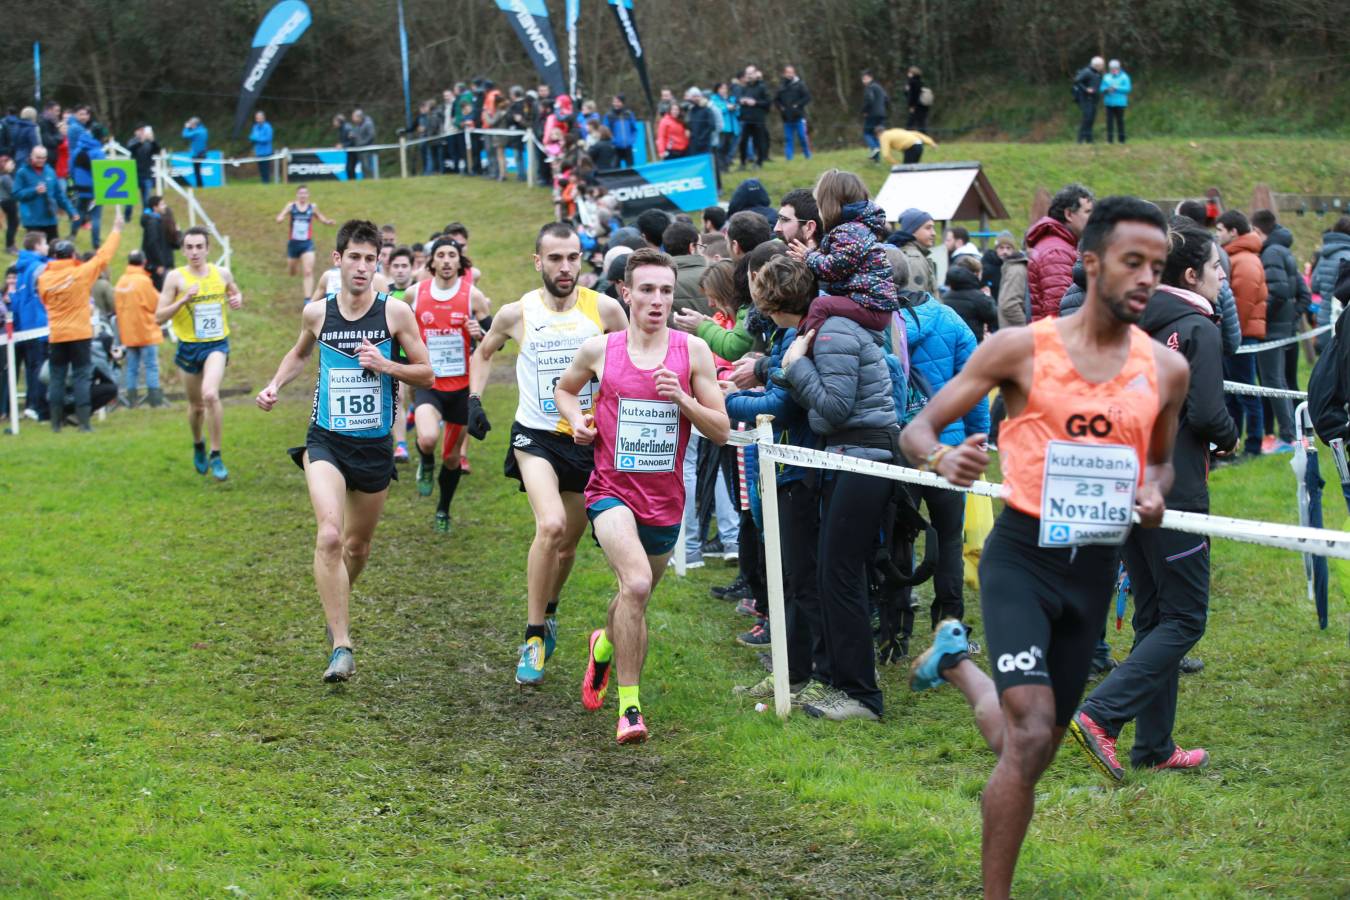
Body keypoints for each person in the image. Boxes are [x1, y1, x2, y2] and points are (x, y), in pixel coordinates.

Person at [902, 196, 1189, 900]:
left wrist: (1154, 493)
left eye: (1158, 265)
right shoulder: (1020, 349)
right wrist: (942, 460)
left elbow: (1158, 462)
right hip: (1022, 559)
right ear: (1090, 263)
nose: (1148, 278)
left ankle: (957, 664)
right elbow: (916, 430)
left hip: (1094, 569)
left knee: (1026, 748)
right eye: (1133, 262)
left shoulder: (1164, 370)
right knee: (1029, 738)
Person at [1070, 219, 1235, 783]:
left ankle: (1154, 745)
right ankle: (1100, 716)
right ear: (1192, 274)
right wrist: (1231, 438)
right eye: (1218, 269)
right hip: (1174, 491)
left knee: (1154, 615)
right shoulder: (1199, 329)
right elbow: (1210, 414)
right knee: (1185, 618)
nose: (1223, 280)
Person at [557, 247, 729, 743]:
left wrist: (683, 399)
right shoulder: (600, 349)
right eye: (648, 290)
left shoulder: (692, 351)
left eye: (667, 291)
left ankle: (604, 646)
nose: (658, 300)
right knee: (634, 586)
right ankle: (630, 710)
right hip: (610, 491)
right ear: (626, 293)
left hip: (664, 500)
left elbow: (719, 430)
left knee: (637, 595)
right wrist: (580, 422)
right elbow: (566, 391)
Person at [256, 219, 433, 683]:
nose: (361, 266)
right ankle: (342, 644)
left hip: (373, 446)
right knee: (330, 536)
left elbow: (427, 373)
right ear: (338, 261)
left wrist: (385, 363)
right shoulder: (318, 313)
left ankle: (334, 597)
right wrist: (275, 384)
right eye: (353, 257)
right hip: (326, 440)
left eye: (369, 259)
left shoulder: (395, 314)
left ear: (378, 265)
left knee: (356, 545)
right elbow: (298, 353)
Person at [467, 222, 628, 686]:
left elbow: (634, 354)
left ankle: (550, 610)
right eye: (555, 258)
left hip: (584, 440)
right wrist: (474, 399)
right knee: (551, 525)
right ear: (538, 261)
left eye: (573, 258)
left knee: (568, 545)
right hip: (534, 436)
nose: (565, 267)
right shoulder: (516, 313)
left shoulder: (606, 310)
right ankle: (533, 634)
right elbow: (485, 353)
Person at [898, 279, 989, 643]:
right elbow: (977, 387)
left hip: (901, 445)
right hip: (947, 447)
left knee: (899, 539)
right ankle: (950, 631)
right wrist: (978, 439)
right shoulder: (952, 322)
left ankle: (895, 631)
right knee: (949, 540)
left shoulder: (880, 320)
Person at [407, 237, 491, 532]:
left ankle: (443, 509)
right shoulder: (414, 294)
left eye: (451, 255)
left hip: (461, 388)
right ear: (431, 262)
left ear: (459, 261)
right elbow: (397, 327)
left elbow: (493, 343)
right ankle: (426, 462)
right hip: (428, 381)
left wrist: (479, 331)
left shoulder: (473, 297)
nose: (445, 260)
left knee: (453, 458)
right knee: (428, 438)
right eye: (440, 255)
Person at [156, 226, 244, 480]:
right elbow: (158, 318)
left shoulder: (222, 273)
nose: (194, 252)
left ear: (207, 249)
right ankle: (198, 444)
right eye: (189, 247)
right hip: (188, 347)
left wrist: (238, 299)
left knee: (210, 394)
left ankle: (216, 454)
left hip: (216, 343)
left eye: (199, 247)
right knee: (196, 407)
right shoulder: (175, 278)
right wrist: (182, 300)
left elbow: (235, 293)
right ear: (183, 250)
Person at [36, 217, 123, 432]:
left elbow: (44, 300)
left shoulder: (44, 279)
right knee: (82, 377)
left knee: (56, 378)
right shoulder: (81, 273)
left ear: (54, 256)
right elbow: (103, 257)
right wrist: (116, 230)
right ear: (73, 255)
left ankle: (55, 424)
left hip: (57, 334)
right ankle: (84, 423)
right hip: (80, 333)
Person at [788, 169, 900, 315]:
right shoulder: (854, 229)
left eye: (819, 204)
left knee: (819, 305)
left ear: (828, 204)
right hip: (870, 303)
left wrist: (808, 256)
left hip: (871, 305)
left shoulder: (849, 231)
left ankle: (805, 337)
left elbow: (834, 268)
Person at [1251, 208, 1307, 452]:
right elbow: (1302, 295)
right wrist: (1292, 320)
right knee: (1283, 380)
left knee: (1274, 382)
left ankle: (1289, 436)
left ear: (1257, 230)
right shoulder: (1284, 250)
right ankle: (1296, 432)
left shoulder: (1271, 252)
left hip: (1272, 330)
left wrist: (1261, 318)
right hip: (1285, 328)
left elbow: (1279, 293)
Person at [1215, 209, 1268, 457]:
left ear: (1233, 231)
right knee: (1234, 394)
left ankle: (1254, 445)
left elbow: (1242, 306)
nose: (1216, 235)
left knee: (1247, 392)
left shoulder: (1244, 260)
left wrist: (1231, 335)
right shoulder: (1236, 257)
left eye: (1220, 230)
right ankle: (1232, 445)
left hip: (1242, 336)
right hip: (1237, 335)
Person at [1027, 182, 1094, 319]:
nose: (1092, 218)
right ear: (1069, 214)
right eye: (1087, 212)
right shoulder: (1057, 252)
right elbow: (1059, 309)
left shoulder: (1056, 244)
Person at [114, 249, 165, 408]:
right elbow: (155, 303)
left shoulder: (121, 281)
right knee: (151, 365)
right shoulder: (143, 281)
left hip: (128, 332)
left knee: (131, 368)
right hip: (145, 330)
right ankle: (155, 401)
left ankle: (132, 401)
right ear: (143, 262)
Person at [12, 231, 49, 420]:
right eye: (45, 244)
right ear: (37, 246)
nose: (47, 247)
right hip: (40, 325)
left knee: (33, 368)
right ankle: (38, 406)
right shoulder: (39, 268)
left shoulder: (21, 269)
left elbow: (18, 301)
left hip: (27, 327)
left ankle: (31, 404)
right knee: (41, 369)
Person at [277, 185, 336, 303]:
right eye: (300, 193)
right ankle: (293, 267)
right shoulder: (291, 206)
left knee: (308, 270)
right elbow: (280, 216)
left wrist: (328, 221)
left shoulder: (312, 207)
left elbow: (321, 218)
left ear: (308, 195)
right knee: (292, 271)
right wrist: (280, 218)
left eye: (305, 193)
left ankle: (307, 299)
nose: (303, 195)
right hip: (293, 244)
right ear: (297, 195)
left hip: (307, 244)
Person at [13, 147, 76, 241]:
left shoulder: (50, 171)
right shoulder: (22, 172)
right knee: (36, 251)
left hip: (49, 218)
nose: (41, 160)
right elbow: (16, 194)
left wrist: (71, 211)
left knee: (53, 249)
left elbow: (59, 195)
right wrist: (34, 191)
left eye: (43, 158)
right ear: (31, 156)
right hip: (32, 220)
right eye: (38, 157)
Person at [943, 256, 999, 342]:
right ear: (976, 273)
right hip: (973, 341)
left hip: (950, 341)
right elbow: (992, 315)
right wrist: (988, 297)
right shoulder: (978, 297)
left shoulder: (944, 296)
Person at [1313, 216, 1350, 341]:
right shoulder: (1348, 256)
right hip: (1343, 323)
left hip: (1324, 320)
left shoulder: (1325, 254)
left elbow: (1314, 285)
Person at [886, 208, 938, 294]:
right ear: (913, 231)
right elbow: (915, 301)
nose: (933, 233)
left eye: (933, 228)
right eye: (928, 228)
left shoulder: (911, 254)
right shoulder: (914, 259)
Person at [775, 65, 812, 161]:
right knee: (788, 139)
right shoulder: (781, 86)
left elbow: (807, 97)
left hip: (798, 117)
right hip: (786, 118)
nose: (789, 74)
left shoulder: (800, 84)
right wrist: (780, 107)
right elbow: (776, 100)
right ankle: (789, 158)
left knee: (802, 137)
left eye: (791, 72)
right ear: (784, 74)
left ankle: (808, 155)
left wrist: (798, 105)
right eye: (787, 72)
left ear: (794, 73)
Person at [737, 66, 771, 169]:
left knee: (759, 141)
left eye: (751, 73)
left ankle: (759, 162)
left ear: (756, 74)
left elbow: (768, 103)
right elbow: (738, 99)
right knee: (743, 142)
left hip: (758, 119)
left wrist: (755, 102)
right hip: (746, 119)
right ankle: (742, 163)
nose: (749, 76)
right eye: (747, 74)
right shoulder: (744, 87)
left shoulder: (762, 87)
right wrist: (741, 101)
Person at [1073, 56, 1105, 143]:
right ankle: (1080, 140)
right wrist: (1086, 89)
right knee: (1087, 118)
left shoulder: (1098, 73)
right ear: (1097, 65)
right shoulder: (1087, 72)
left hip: (1094, 99)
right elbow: (1077, 81)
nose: (1103, 66)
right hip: (1086, 99)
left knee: (1091, 119)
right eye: (1102, 65)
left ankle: (1089, 139)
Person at [602, 95, 639, 169]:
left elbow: (634, 129)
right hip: (615, 147)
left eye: (618, 102)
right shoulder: (609, 115)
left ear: (622, 103)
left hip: (628, 146)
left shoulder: (629, 114)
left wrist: (631, 140)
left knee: (631, 169)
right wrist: (613, 141)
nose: (616, 104)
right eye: (614, 102)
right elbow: (605, 130)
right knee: (616, 170)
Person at [860, 70, 889, 160]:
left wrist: (864, 111)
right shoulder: (879, 87)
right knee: (878, 134)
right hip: (882, 114)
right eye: (863, 79)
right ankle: (877, 160)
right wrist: (883, 109)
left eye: (865, 78)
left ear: (870, 78)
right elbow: (887, 99)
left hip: (872, 114)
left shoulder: (870, 87)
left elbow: (869, 100)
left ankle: (875, 148)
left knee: (867, 133)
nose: (863, 81)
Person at [1101, 60, 1131, 144]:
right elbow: (1102, 88)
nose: (1113, 70)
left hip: (1120, 103)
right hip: (1108, 103)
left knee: (1120, 121)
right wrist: (1107, 89)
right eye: (1111, 69)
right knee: (1109, 122)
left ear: (1119, 68)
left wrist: (1116, 88)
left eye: (1115, 68)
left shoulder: (1124, 77)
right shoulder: (1106, 77)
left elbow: (1127, 89)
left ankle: (1121, 140)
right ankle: (1109, 140)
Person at [348, 109, 376, 180]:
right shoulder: (359, 125)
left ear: (359, 117)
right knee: (363, 167)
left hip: (366, 149)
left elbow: (371, 136)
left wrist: (362, 144)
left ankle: (370, 180)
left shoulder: (368, 123)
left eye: (354, 117)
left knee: (367, 167)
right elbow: (359, 134)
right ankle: (366, 180)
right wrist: (353, 135)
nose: (352, 119)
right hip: (361, 149)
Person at [181, 117, 209, 187]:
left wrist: (186, 127)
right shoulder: (203, 130)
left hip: (197, 154)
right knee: (197, 171)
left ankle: (200, 186)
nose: (190, 125)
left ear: (194, 124)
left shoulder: (197, 132)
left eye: (191, 124)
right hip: (202, 153)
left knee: (197, 171)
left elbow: (185, 135)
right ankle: (200, 185)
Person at [249, 110, 275, 183]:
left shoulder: (268, 127)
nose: (258, 119)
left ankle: (267, 183)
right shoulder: (255, 127)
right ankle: (264, 182)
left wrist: (257, 138)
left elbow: (268, 138)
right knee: (261, 169)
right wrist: (253, 138)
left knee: (266, 169)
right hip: (258, 152)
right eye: (257, 118)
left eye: (259, 118)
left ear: (263, 118)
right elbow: (252, 136)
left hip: (266, 152)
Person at [1, 155, 18, 254]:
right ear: (5, 165)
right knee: (13, 224)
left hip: (4, 202)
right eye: (11, 164)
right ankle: (10, 246)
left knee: (12, 223)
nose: (13, 165)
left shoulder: (2, 176)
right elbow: (13, 190)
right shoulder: (6, 177)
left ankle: (11, 245)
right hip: (9, 202)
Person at [906, 66, 931, 131]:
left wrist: (911, 106)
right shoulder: (921, 82)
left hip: (916, 106)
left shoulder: (911, 82)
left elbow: (912, 95)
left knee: (910, 124)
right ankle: (924, 137)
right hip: (924, 105)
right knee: (922, 123)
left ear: (912, 73)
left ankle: (909, 138)